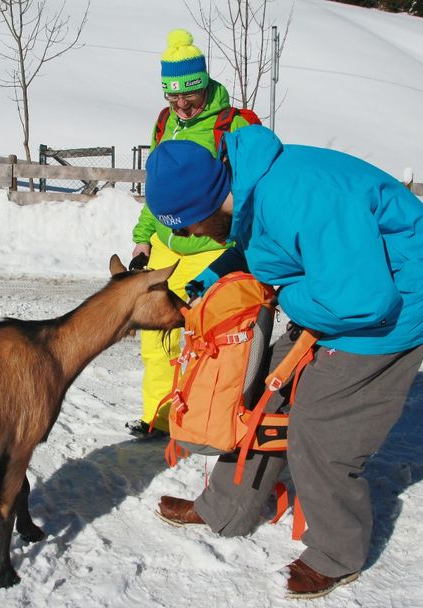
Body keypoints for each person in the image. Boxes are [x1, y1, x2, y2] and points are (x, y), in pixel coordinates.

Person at [142, 129, 423, 599]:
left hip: (402, 299)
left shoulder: (296, 196)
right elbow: (260, 243)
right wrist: (212, 278)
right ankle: (226, 508)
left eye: (185, 225)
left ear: (210, 204)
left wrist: (287, 296)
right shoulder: (248, 189)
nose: (184, 236)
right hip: (344, 286)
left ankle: (337, 553)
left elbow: (366, 300)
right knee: (263, 391)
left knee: (319, 422)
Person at [127, 28, 256, 440]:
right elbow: (160, 188)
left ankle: (200, 419)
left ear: (204, 84)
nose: (181, 105)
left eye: (190, 95)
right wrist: (145, 237)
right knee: (154, 332)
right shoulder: (165, 122)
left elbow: (252, 189)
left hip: (210, 245)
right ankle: (158, 418)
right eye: (173, 95)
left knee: (195, 334)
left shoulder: (233, 125)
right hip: (168, 244)